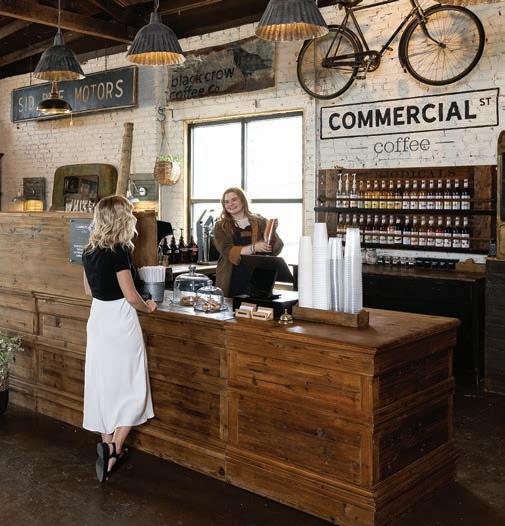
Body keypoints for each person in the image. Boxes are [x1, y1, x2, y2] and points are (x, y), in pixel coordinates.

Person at [82, 195, 156, 483]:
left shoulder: (89, 249)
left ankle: (107, 445)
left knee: (104, 383)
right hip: (120, 320)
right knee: (132, 384)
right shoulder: (120, 250)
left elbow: (88, 290)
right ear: (123, 218)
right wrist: (148, 306)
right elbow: (130, 295)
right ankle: (115, 446)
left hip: (98, 318)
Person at [213, 187, 283, 297]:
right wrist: (254, 247)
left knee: (256, 306)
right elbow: (227, 251)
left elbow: (275, 250)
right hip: (232, 278)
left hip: (258, 278)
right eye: (226, 202)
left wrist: (271, 232)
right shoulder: (220, 226)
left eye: (234, 199)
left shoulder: (260, 221)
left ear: (243, 200)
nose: (230, 204)